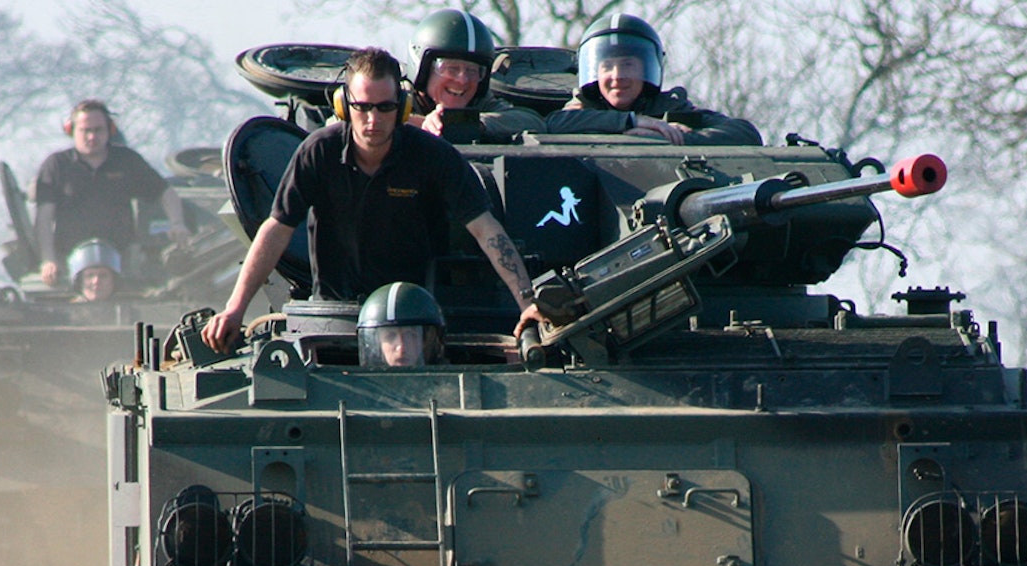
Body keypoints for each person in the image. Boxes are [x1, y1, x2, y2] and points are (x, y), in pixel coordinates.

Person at [203, 47, 546, 353]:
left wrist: (527, 302)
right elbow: (276, 229)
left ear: (402, 107)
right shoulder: (318, 152)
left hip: (413, 321)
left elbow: (487, 230)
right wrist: (235, 309)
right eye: (362, 107)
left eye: (384, 108)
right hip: (333, 322)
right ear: (343, 105)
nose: (372, 120)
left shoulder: (433, 157)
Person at [34, 99, 191, 287]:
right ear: (71, 131)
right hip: (69, 258)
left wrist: (177, 224)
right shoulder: (56, 165)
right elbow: (44, 217)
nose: (92, 137)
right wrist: (48, 259)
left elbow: (166, 192)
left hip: (124, 257)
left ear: (110, 130)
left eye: (98, 130)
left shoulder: (127, 160)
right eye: (85, 130)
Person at [544, 15, 763, 146]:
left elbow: (744, 133)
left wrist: (674, 139)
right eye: (608, 67)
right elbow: (552, 124)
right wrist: (632, 123)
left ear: (647, 68)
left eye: (628, 64)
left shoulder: (669, 108)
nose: (617, 75)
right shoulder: (576, 115)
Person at [405, 9, 542, 143]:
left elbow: (532, 121)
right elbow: (385, 119)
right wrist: (423, 123)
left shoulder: (481, 102)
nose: (462, 80)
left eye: (472, 71)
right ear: (423, 69)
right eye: (451, 68)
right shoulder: (395, 96)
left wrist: (469, 122)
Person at [357, 282, 447, 368]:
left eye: (411, 335)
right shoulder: (355, 383)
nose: (401, 348)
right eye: (390, 336)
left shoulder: (448, 383)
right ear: (378, 344)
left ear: (425, 341)